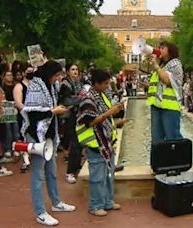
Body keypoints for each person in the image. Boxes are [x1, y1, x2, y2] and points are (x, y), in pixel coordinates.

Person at [21, 60, 76, 226]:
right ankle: (40, 212)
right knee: (38, 175)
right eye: (57, 75)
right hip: (37, 136)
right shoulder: (36, 86)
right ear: (50, 73)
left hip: (50, 134)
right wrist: (53, 111)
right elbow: (33, 113)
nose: (58, 79)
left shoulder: (51, 85)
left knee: (51, 171)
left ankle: (56, 202)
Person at [77, 69, 124, 216]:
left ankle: (107, 202)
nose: (107, 86)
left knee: (108, 174)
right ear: (96, 83)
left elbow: (104, 120)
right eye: (105, 83)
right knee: (97, 177)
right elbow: (90, 122)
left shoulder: (101, 95)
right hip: (95, 143)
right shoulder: (88, 99)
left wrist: (115, 121)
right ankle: (95, 205)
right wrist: (111, 113)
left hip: (106, 142)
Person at [147, 41, 183, 143]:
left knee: (172, 138)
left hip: (170, 107)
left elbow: (168, 81)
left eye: (163, 48)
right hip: (157, 105)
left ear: (170, 50)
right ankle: (159, 158)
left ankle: (174, 159)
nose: (160, 50)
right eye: (160, 47)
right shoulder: (162, 65)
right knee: (156, 139)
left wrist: (156, 66)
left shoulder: (175, 64)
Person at [59, 64, 84, 184]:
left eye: (76, 69)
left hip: (78, 115)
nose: (75, 72)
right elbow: (67, 101)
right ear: (68, 72)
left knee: (79, 144)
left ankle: (76, 166)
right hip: (70, 117)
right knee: (74, 143)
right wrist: (81, 99)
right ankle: (70, 172)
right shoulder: (65, 84)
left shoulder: (79, 83)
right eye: (72, 70)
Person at [13, 64, 34, 172]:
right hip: (24, 116)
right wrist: (29, 110)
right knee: (23, 137)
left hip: (35, 116)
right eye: (28, 70)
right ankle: (25, 160)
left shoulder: (36, 86)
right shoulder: (19, 86)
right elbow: (18, 103)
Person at [1, 70, 20, 157]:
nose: (9, 77)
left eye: (11, 75)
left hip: (15, 110)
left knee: (16, 130)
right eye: (7, 75)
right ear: (4, 77)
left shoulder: (16, 86)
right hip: (5, 111)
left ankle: (16, 147)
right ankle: (8, 148)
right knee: (7, 130)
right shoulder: (1, 87)